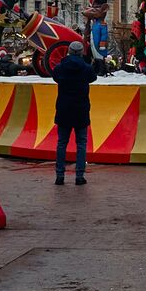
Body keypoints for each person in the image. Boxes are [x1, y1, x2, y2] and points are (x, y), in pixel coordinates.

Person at [51, 41, 96, 184]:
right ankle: (79, 176)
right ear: (82, 52)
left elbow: (55, 77)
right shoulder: (86, 68)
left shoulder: (60, 68)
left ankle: (59, 175)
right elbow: (93, 78)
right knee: (81, 143)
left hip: (64, 109)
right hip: (81, 109)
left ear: (69, 51)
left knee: (61, 143)